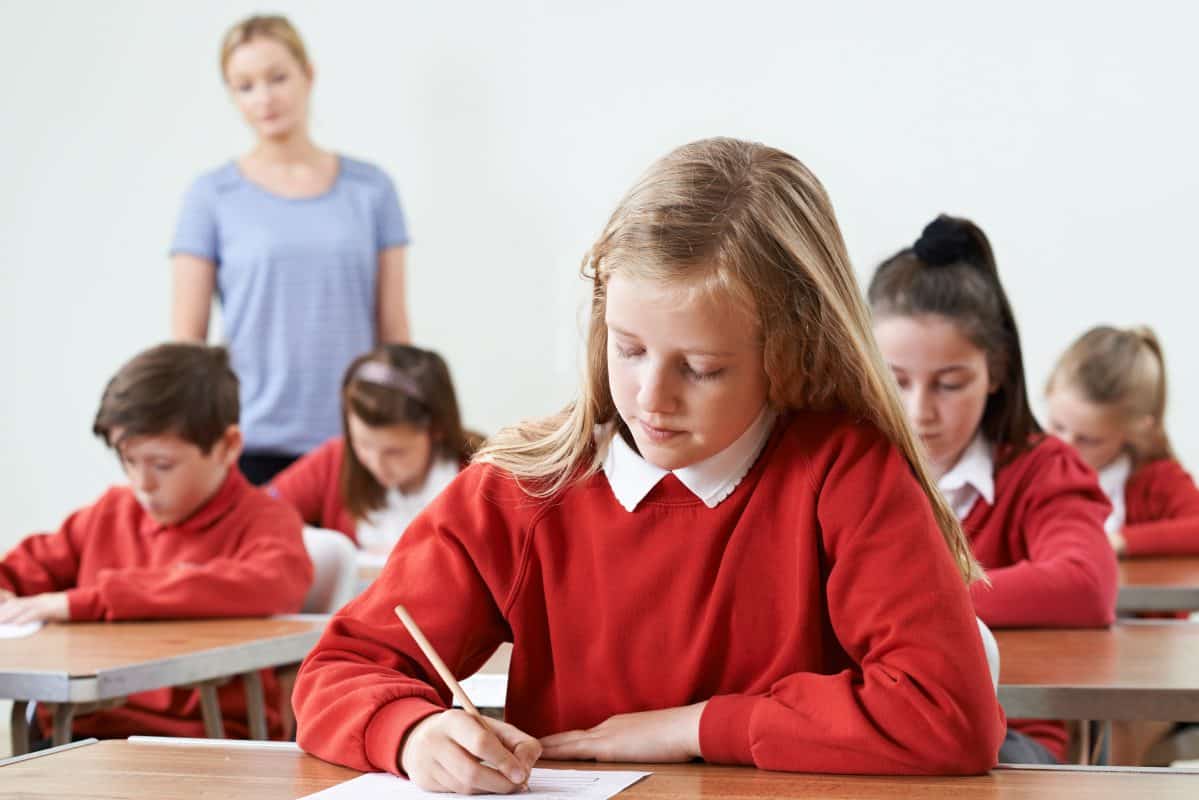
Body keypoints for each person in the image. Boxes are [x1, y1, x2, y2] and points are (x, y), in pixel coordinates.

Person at [292, 138, 1004, 793]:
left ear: (789, 350)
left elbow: (947, 714)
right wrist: (410, 732)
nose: (650, 397)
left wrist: (691, 727)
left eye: (701, 368)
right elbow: (339, 674)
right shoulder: (521, 489)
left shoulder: (845, 476)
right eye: (627, 348)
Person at [869, 214, 1117, 764]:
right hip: (874, 732)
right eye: (896, 380)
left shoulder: (1042, 467)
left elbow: (1085, 585)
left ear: (996, 371)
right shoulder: (845, 469)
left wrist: (905, 601)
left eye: (950, 384)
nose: (919, 411)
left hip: (1005, 736)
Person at [0, 343, 313, 739]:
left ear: (229, 446)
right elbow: (26, 567)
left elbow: (269, 582)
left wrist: (85, 601)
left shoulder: (266, 521)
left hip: (201, 745)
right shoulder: (110, 512)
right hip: (80, 734)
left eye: (162, 465)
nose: (142, 484)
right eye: (129, 460)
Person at [170, 14, 411, 485]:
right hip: (249, 442)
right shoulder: (211, 196)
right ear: (231, 96)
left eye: (277, 77)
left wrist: (405, 428)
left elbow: (394, 331)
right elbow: (187, 347)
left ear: (308, 74)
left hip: (358, 445)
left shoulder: (371, 189)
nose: (264, 98)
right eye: (245, 86)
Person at [270, 344, 481, 551]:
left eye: (395, 452)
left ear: (437, 430)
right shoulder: (335, 460)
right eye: (363, 444)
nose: (376, 463)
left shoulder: (480, 479)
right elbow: (260, 515)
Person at [1047, 325, 1199, 556]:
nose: (1064, 446)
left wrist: (1118, 542)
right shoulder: (1025, 468)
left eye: (1089, 440)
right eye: (1057, 426)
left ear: (1136, 432)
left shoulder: (1156, 480)